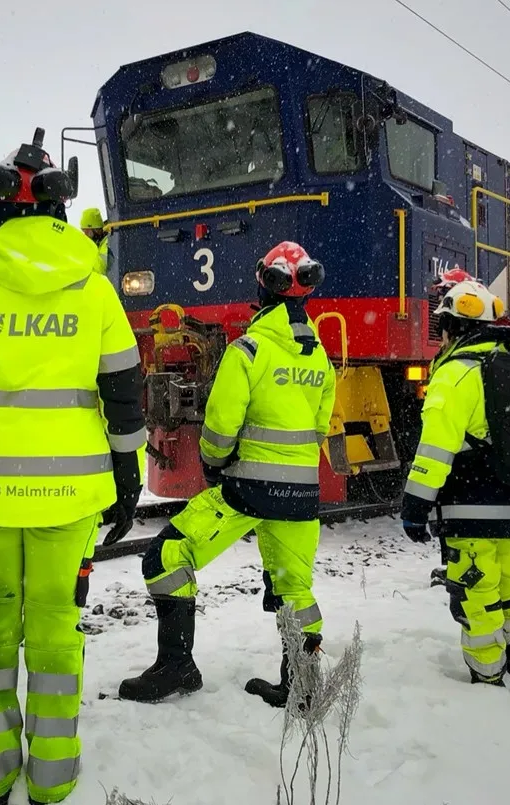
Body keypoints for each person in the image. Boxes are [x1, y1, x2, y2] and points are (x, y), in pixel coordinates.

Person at [0, 131, 145, 805]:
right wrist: (127, 477)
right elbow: (124, 394)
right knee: (53, 625)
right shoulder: (95, 294)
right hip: (68, 493)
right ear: (58, 212)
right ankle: (50, 777)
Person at [116, 241, 336, 708]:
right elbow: (318, 427)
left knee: (167, 556)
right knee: (296, 589)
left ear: (265, 284)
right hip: (301, 496)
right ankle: (302, 687)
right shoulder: (319, 357)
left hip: (248, 491)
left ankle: (177, 667)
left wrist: (216, 463)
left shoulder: (249, 351)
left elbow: (218, 428)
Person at [398, 278, 510, 686]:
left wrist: (414, 507)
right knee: (508, 579)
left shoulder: (455, 374)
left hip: (471, 501)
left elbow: (435, 451)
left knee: (475, 588)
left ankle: (488, 674)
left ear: (452, 329)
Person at [79, 207, 112, 277]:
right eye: (83, 231)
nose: (85, 235)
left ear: (96, 229)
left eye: (87, 231)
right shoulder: (99, 242)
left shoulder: (108, 242)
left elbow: (100, 268)